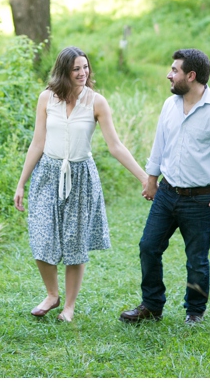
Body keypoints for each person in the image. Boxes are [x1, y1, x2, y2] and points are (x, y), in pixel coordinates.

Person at [14, 46, 149, 322]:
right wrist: (21, 183)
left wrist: (144, 177)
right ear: (64, 71)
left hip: (80, 176)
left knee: (75, 244)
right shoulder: (46, 99)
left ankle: (69, 306)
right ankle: (52, 295)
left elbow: (115, 146)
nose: (82, 73)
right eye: (76, 68)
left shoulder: (96, 102)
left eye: (85, 67)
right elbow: (37, 142)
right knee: (41, 235)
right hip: (47, 174)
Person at [120, 48, 210, 325]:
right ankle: (151, 306)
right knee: (148, 246)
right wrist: (151, 179)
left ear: (191, 75)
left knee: (196, 259)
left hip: (201, 199)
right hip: (166, 193)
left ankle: (194, 312)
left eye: (174, 70)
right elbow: (159, 144)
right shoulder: (169, 106)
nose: (168, 74)